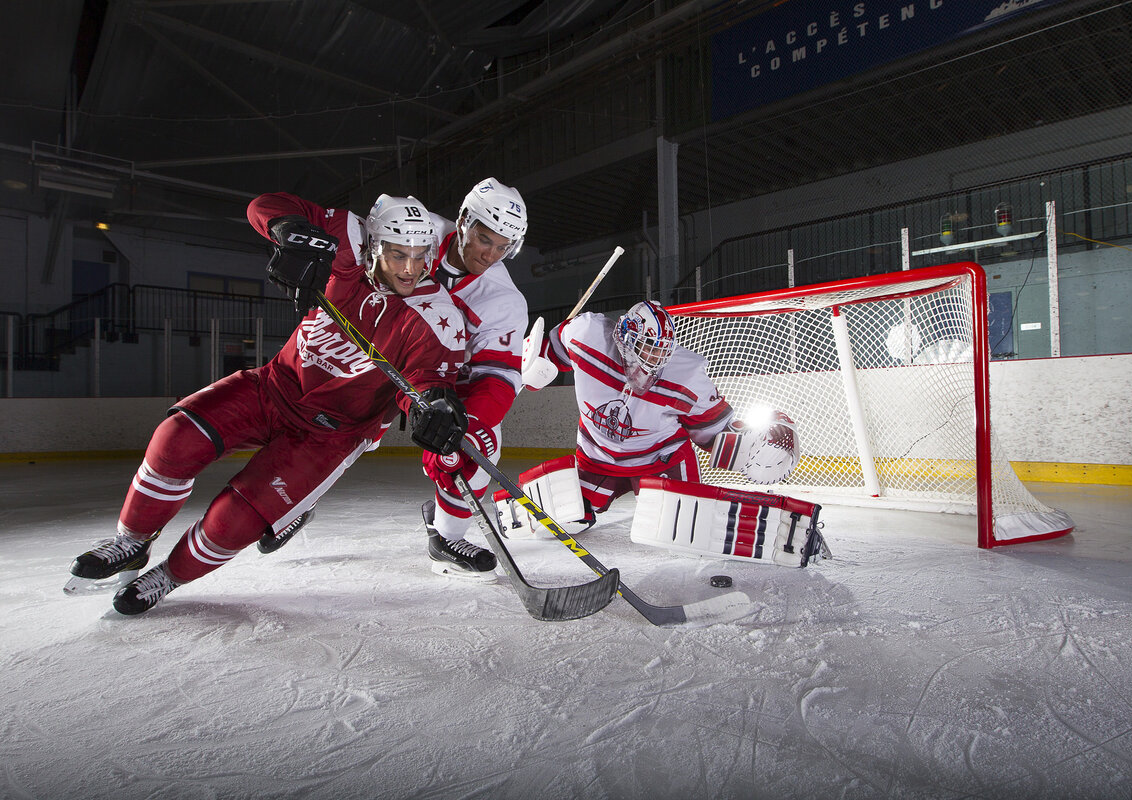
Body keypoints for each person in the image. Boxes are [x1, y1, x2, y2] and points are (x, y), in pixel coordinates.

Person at [64, 192, 469, 614]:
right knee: (175, 438)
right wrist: (291, 231)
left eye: (421, 255)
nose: (410, 268)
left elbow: (425, 381)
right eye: (398, 254)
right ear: (372, 246)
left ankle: (168, 576)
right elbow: (264, 205)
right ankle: (131, 542)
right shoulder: (348, 238)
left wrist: (433, 404)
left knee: (234, 521)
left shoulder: (436, 315)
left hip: (328, 436)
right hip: (273, 387)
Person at [516, 300, 798, 523]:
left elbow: (710, 430)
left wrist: (748, 449)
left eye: (663, 351)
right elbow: (550, 350)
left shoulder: (686, 375)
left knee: (684, 523)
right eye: (649, 348)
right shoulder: (585, 334)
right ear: (624, 337)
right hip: (596, 458)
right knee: (563, 516)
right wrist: (531, 361)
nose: (656, 360)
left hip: (660, 461)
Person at [415, 177, 531, 581]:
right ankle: (296, 500)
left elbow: (499, 378)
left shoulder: (503, 298)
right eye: (486, 239)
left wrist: (472, 423)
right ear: (464, 220)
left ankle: (445, 537)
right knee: (335, 429)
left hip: (441, 381)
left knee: (484, 444)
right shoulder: (417, 229)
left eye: (504, 247)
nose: (492, 255)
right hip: (376, 347)